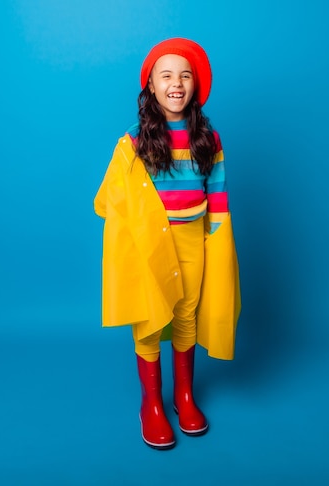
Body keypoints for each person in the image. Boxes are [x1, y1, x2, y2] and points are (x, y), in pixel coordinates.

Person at [94, 38, 241, 450]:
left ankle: (184, 397)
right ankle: (152, 405)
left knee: (186, 314)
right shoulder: (134, 143)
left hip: (194, 237)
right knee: (150, 317)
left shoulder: (209, 139)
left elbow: (219, 195)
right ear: (151, 87)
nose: (176, 83)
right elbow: (108, 199)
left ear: (195, 85)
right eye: (166, 75)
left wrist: (217, 240)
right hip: (150, 245)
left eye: (185, 75)